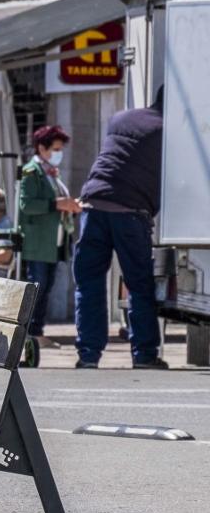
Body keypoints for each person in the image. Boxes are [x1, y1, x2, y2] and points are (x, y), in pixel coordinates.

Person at [74, 88, 166, 370]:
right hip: (130, 213)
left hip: (92, 204)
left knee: (88, 283)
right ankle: (144, 355)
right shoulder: (168, 128)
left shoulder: (121, 118)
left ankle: (88, 355)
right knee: (138, 284)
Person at [18, 126, 79, 350]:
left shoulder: (52, 173)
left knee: (46, 287)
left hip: (54, 242)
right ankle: (29, 334)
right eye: (55, 149)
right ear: (41, 148)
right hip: (38, 243)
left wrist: (68, 205)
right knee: (37, 287)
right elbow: (26, 205)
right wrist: (57, 204)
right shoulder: (31, 172)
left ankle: (37, 333)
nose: (58, 154)